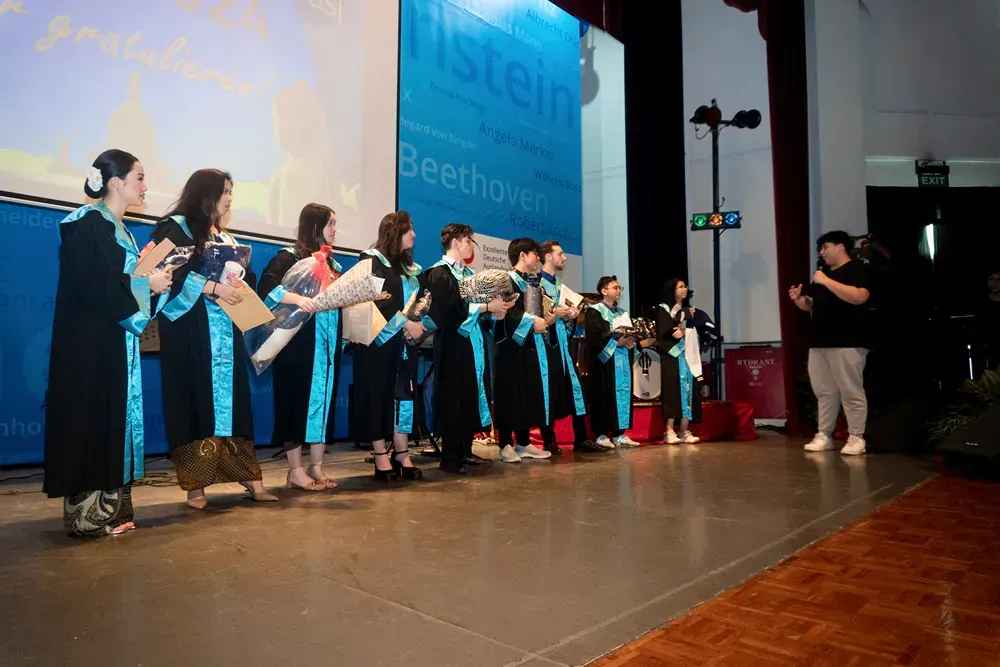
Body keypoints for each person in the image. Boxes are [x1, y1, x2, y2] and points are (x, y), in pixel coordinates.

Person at [44, 149, 174, 537]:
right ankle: (87, 515)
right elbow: (95, 286)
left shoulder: (120, 229)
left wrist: (150, 276)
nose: (145, 186)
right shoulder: (88, 224)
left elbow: (115, 282)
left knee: (111, 419)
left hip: (112, 343)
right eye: (140, 178)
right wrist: (145, 283)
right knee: (91, 419)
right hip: (89, 346)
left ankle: (112, 510)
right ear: (115, 182)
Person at [152, 169, 278, 508]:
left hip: (225, 334)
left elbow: (245, 276)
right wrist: (211, 286)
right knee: (195, 400)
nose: (230, 198)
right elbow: (155, 273)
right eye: (225, 191)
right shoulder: (173, 228)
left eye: (232, 191)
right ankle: (197, 486)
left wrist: (238, 283)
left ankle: (251, 479)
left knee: (236, 403)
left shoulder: (226, 238)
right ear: (205, 194)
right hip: (191, 333)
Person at [257, 203, 342, 491]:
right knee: (294, 404)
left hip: (327, 348)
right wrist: (297, 299)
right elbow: (266, 288)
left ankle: (316, 466)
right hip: (298, 346)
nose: (335, 230)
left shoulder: (334, 264)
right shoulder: (288, 257)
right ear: (315, 226)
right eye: (330, 223)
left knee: (321, 405)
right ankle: (294, 469)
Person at [350, 211, 433, 481]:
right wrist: (404, 324)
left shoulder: (410, 268)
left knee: (404, 396)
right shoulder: (371, 260)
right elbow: (375, 300)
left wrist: (418, 324)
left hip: (404, 344)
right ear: (395, 231)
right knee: (378, 395)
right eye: (409, 229)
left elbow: (420, 300)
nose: (414, 235)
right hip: (378, 343)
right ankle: (379, 455)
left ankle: (402, 451)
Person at [424, 224, 510, 474]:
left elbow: (476, 309)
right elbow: (448, 310)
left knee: (469, 394)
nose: (471, 245)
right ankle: (450, 457)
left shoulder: (470, 274)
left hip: (472, 344)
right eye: (468, 240)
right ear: (455, 241)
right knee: (453, 396)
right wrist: (485, 308)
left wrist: (496, 311)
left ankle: (464, 450)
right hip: (452, 344)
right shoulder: (438, 273)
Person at [789, 230, 871, 455]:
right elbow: (811, 305)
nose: (822, 253)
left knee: (850, 390)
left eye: (825, 247)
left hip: (847, 340)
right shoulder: (822, 272)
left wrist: (826, 281)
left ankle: (856, 437)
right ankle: (824, 434)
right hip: (820, 341)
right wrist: (800, 300)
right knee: (824, 391)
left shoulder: (856, 269)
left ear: (840, 247)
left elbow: (859, 297)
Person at [537, 241, 607, 453]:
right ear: (548, 257)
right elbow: (534, 317)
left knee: (576, 388)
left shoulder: (560, 286)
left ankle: (581, 438)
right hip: (546, 345)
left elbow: (568, 321)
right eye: (560, 254)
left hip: (563, 345)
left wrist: (573, 317)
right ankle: (549, 439)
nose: (564, 258)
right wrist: (556, 313)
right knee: (548, 390)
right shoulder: (536, 284)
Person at [492, 238, 556, 463]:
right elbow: (506, 313)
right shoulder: (505, 281)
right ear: (522, 256)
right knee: (509, 394)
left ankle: (523, 442)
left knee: (526, 393)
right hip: (509, 347)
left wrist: (546, 318)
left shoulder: (532, 283)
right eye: (535, 254)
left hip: (527, 347)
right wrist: (531, 321)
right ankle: (504, 444)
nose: (538, 258)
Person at [585, 276, 642, 448]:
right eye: (614, 287)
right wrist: (616, 343)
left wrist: (632, 342)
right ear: (604, 291)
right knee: (603, 394)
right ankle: (601, 434)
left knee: (623, 393)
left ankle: (620, 434)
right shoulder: (594, 312)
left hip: (622, 361)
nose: (618, 291)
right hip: (604, 364)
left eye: (619, 288)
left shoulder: (622, 313)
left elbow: (631, 338)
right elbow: (593, 340)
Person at [655, 279, 705, 444]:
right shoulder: (663, 310)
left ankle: (684, 430)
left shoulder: (690, 311)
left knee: (688, 392)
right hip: (672, 357)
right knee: (673, 392)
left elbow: (700, 332)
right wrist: (678, 343)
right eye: (681, 286)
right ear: (672, 290)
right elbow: (663, 334)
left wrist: (686, 332)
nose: (685, 289)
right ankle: (669, 431)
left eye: (685, 286)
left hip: (688, 357)